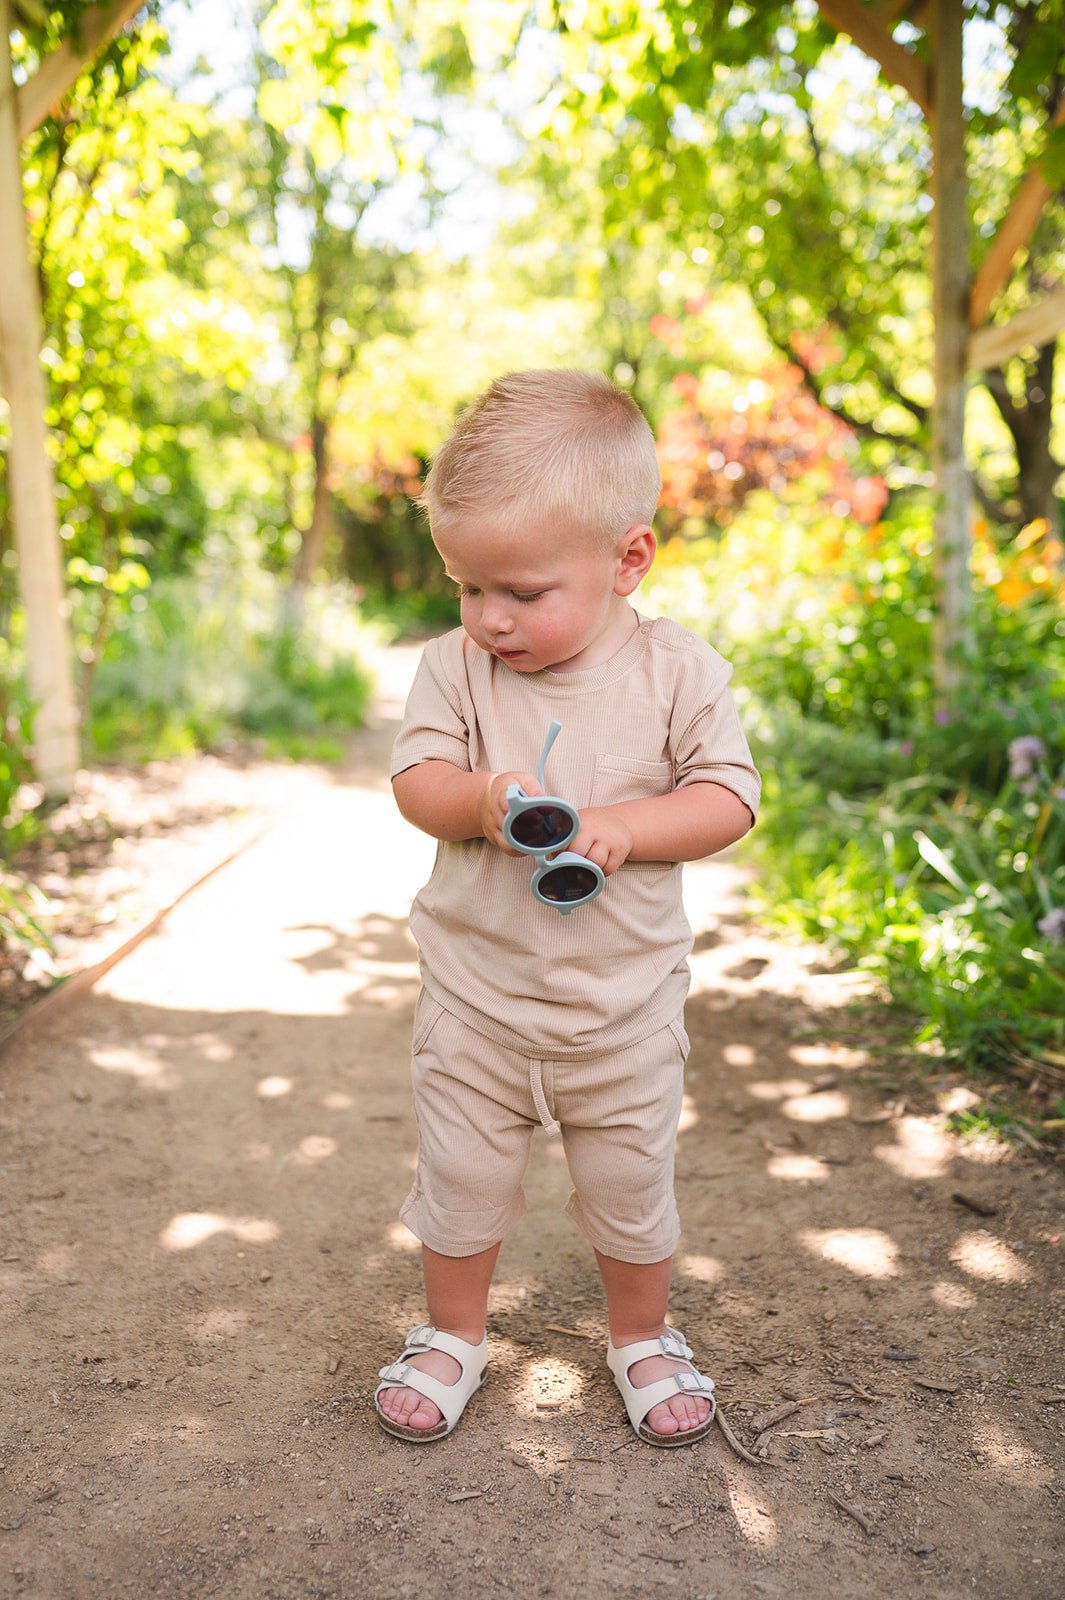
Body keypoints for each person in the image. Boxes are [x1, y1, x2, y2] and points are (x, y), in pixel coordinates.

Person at [376, 370, 760, 1447]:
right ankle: (453, 1333)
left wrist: (629, 827)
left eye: (525, 592)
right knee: (460, 1180)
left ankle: (640, 1335)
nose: (491, 618)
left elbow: (729, 795)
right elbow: (416, 786)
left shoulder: (678, 670)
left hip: (624, 1010)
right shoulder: (455, 671)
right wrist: (482, 800)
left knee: (631, 1186)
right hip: (478, 1001)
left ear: (627, 558)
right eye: (468, 587)